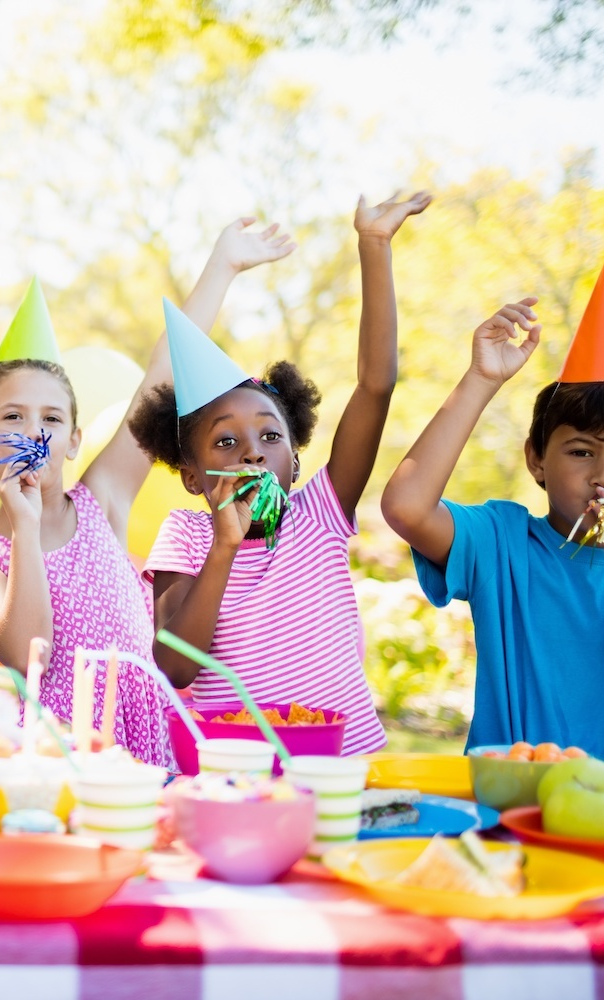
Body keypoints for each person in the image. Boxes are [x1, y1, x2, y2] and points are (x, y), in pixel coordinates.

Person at [0, 218, 296, 767]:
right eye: (12, 417)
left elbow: (163, 373)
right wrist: (27, 527)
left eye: (51, 418)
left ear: (73, 439)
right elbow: (27, 653)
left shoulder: (102, 497)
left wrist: (223, 265)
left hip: (146, 741)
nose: (34, 432)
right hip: (56, 755)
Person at [380, 260, 604, 766]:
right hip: (504, 809)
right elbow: (406, 507)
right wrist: (481, 378)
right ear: (536, 460)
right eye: (581, 451)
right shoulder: (501, 542)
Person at [134, 192, 431, 757]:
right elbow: (174, 665)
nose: (253, 454)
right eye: (226, 441)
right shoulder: (189, 535)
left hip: (347, 766)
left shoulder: (322, 511)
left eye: (271, 437)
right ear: (193, 476)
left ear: (295, 460)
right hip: (241, 775)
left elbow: (375, 386)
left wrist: (374, 247)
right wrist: (224, 546)